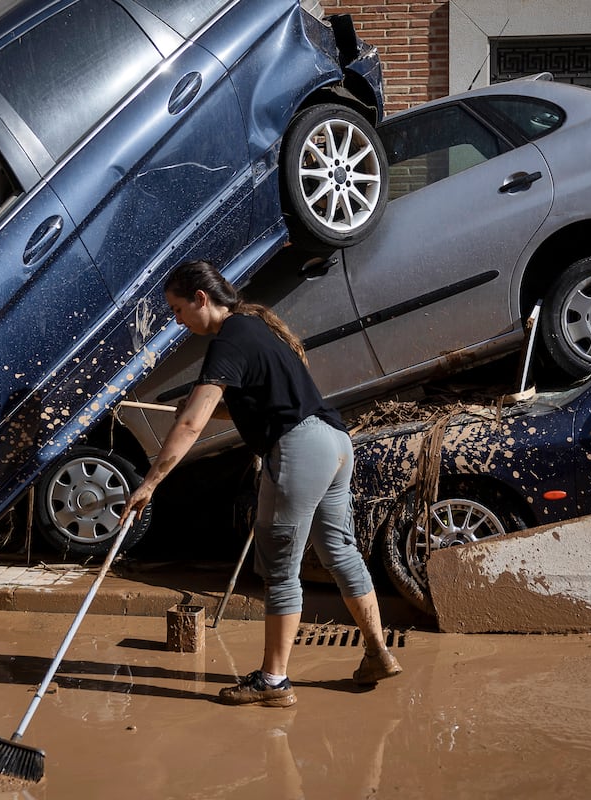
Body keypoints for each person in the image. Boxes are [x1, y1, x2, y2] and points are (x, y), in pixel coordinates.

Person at [121, 260, 402, 708]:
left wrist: (150, 482)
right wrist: (198, 407)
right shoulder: (255, 329)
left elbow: (192, 425)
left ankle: (273, 681)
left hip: (299, 450)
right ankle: (378, 652)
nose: (177, 321)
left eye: (177, 309)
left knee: (281, 570)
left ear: (201, 299)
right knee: (340, 552)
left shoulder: (227, 340)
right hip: (334, 442)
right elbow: (249, 405)